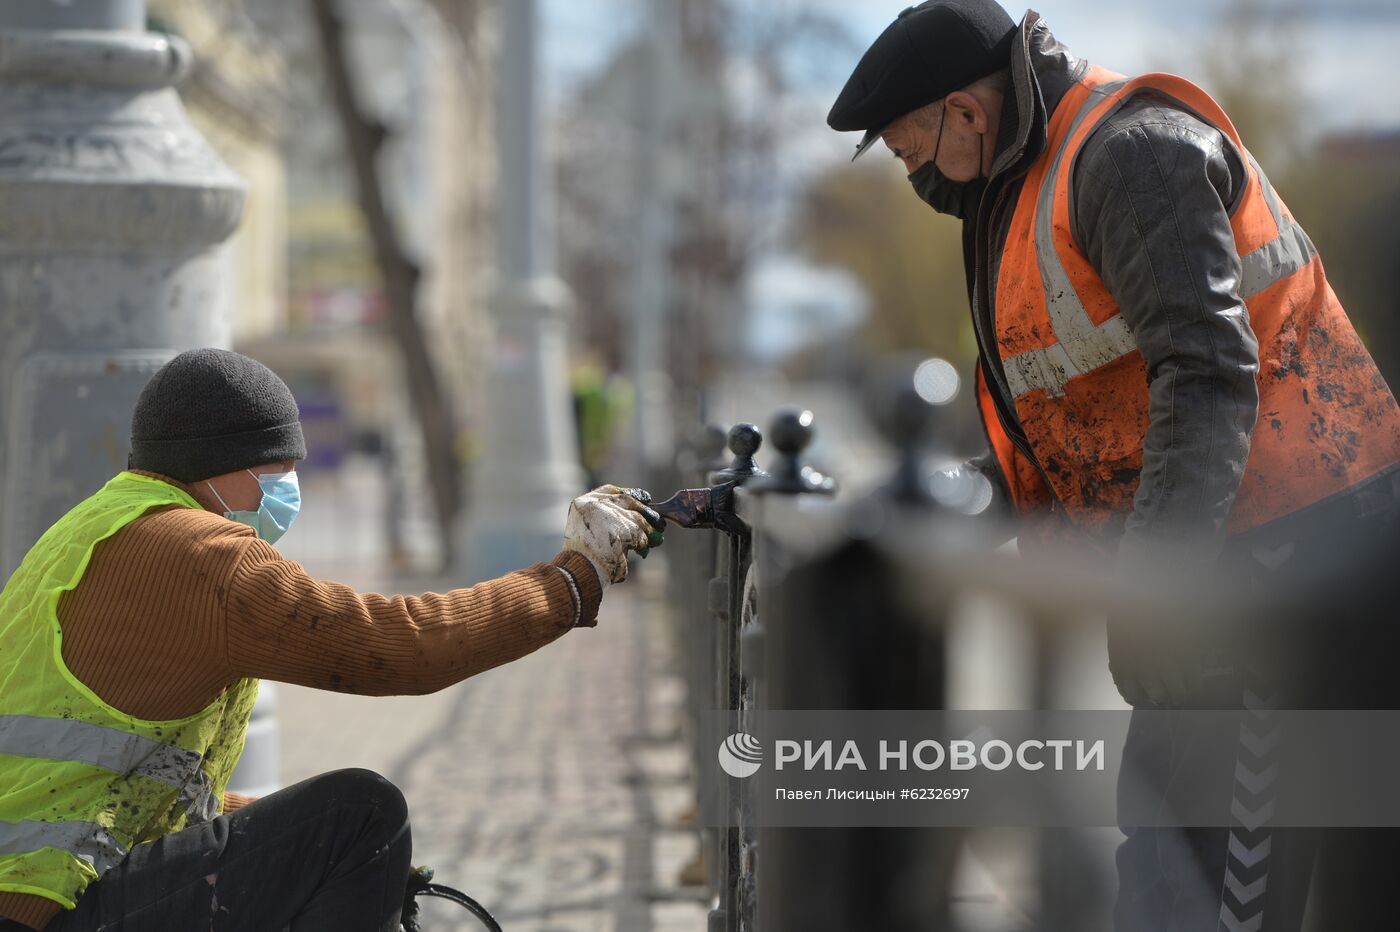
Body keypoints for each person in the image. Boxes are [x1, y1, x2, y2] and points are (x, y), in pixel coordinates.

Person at [829, 2, 1400, 930]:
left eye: (909, 150)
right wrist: (924, 512)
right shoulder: (1025, 185)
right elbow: (1069, 416)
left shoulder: (1130, 156)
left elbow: (1208, 373)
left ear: (967, 115)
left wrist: (1155, 587)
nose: (914, 176)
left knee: (1207, 888)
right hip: (1230, 562)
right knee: (1172, 865)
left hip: (1286, 567)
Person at [0, 348, 665, 932]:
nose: (289, 490)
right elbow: (393, 647)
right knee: (360, 813)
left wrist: (278, 843)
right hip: (56, 908)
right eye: (277, 469)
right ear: (220, 464)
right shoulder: (201, 552)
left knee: (317, 837)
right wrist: (572, 583)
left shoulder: (87, 531)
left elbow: (107, 777)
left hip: (32, 898)